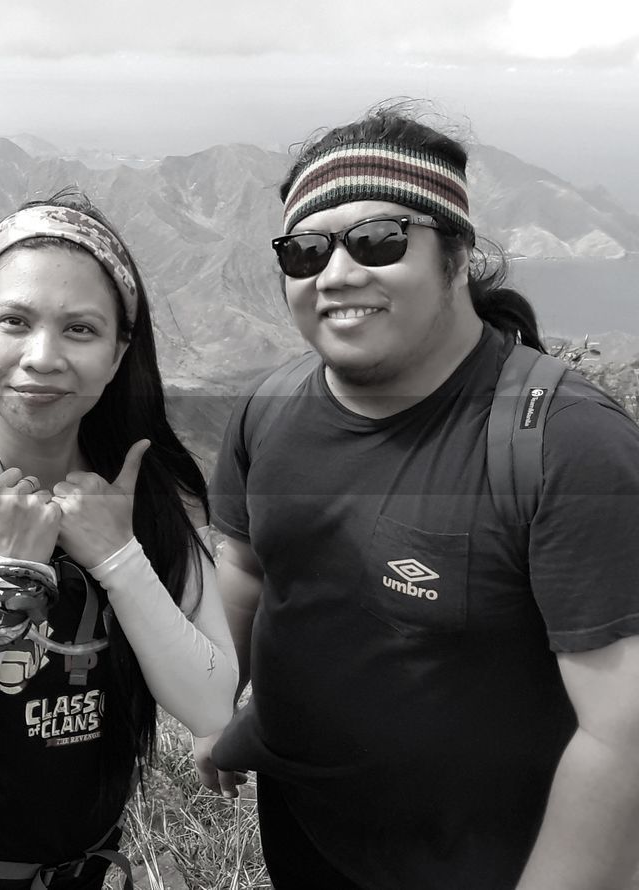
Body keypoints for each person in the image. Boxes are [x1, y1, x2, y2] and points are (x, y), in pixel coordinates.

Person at [195, 106, 639, 890]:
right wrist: (217, 704)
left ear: (458, 254)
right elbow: (252, 570)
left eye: (378, 240)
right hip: (305, 840)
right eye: (305, 251)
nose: (335, 274)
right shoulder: (269, 409)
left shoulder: (564, 443)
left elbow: (623, 733)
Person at [0, 188, 238, 889]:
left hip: (90, 870)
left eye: (81, 330)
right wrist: (2, 580)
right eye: (14, 321)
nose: (43, 356)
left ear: (121, 352)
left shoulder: (145, 500)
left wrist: (119, 557)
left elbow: (211, 703)